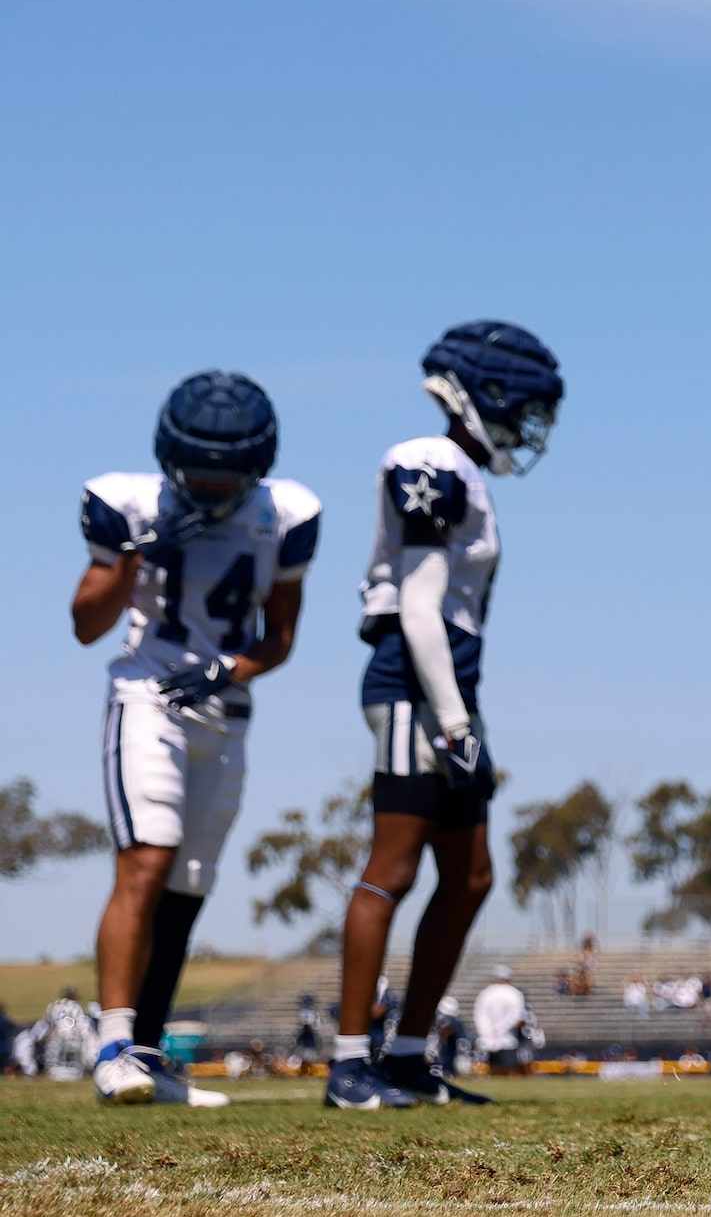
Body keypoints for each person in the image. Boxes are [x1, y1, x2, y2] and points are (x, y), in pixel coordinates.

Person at [326, 323, 565, 1111]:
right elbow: (421, 610)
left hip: (451, 691)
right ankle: (349, 1062)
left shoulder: (464, 469)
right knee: (392, 866)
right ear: (484, 393)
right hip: (415, 688)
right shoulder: (427, 463)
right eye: (522, 408)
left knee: (469, 876)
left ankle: (403, 1054)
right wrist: (457, 726)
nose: (527, 427)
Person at [74, 371, 317, 1108]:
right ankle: (112, 1045)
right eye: (199, 479)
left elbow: (279, 638)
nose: (211, 494)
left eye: (226, 480)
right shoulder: (127, 504)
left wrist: (227, 669)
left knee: (186, 890)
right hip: (146, 693)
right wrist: (138, 554)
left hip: (223, 710)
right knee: (145, 864)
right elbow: (87, 622)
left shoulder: (289, 513)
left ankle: (146, 1057)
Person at [473, 967, 532, 1073]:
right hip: (507, 1036)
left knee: (494, 1068)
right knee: (509, 1068)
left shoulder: (485, 993)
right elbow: (516, 1016)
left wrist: (487, 1031)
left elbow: (480, 1015)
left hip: (490, 1037)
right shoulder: (514, 993)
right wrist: (501, 1029)